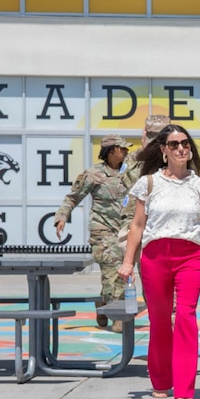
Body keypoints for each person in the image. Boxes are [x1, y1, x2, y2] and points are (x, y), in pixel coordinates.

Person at [120, 124, 200, 399]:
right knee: (159, 320)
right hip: (155, 257)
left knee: (185, 316)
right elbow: (137, 226)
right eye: (174, 144)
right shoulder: (149, 183)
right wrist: (128, 262)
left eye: (185, 143)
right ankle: (161, 380)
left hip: (190, 257)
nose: (181, 148)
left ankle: (185, 388)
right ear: (163, 150)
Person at [53, 135, 136, 329]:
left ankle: (103, 301)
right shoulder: (93, 174)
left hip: (126, 231)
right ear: (111, 151)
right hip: (103, 232)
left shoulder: (131, 172)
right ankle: (118, 316)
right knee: (113, 270)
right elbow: (73, 197)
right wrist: (62, 217)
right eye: (122, 148)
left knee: (122, 272)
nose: (126, 151)